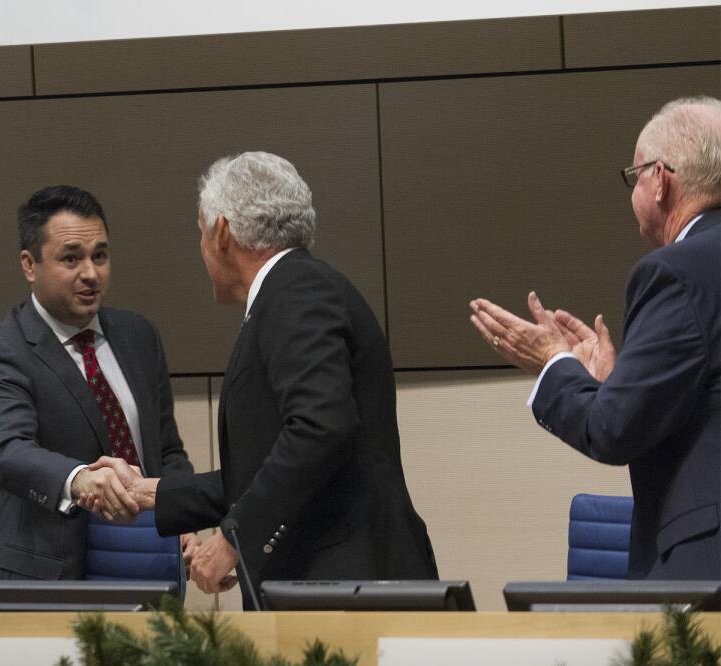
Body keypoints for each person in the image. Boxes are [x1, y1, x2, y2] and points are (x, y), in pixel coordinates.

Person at [84, 152, 437, 606]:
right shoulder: (295, 289)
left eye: (200, 231)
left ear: (222, 232)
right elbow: (268, 467)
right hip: (337, 584)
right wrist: (148, 491)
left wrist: (233, 540)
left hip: (346, 590)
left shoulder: (295, 293)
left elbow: (320, 430)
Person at [470, 96, 721, 579]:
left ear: (660, 180)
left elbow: (613, 432)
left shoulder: (673, 272)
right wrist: (617, 383)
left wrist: (552, 363)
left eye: (633, 178)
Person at [0, 185, 194, 580]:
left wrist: (185, 511)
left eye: (100, 256)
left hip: (150, 561)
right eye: (71, 258)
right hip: (53, 573)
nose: (90, 273)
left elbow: (167, 449)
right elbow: (5, 449)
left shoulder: (139, 335)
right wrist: (79, 479)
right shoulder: (3, 350)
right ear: (29, 264)